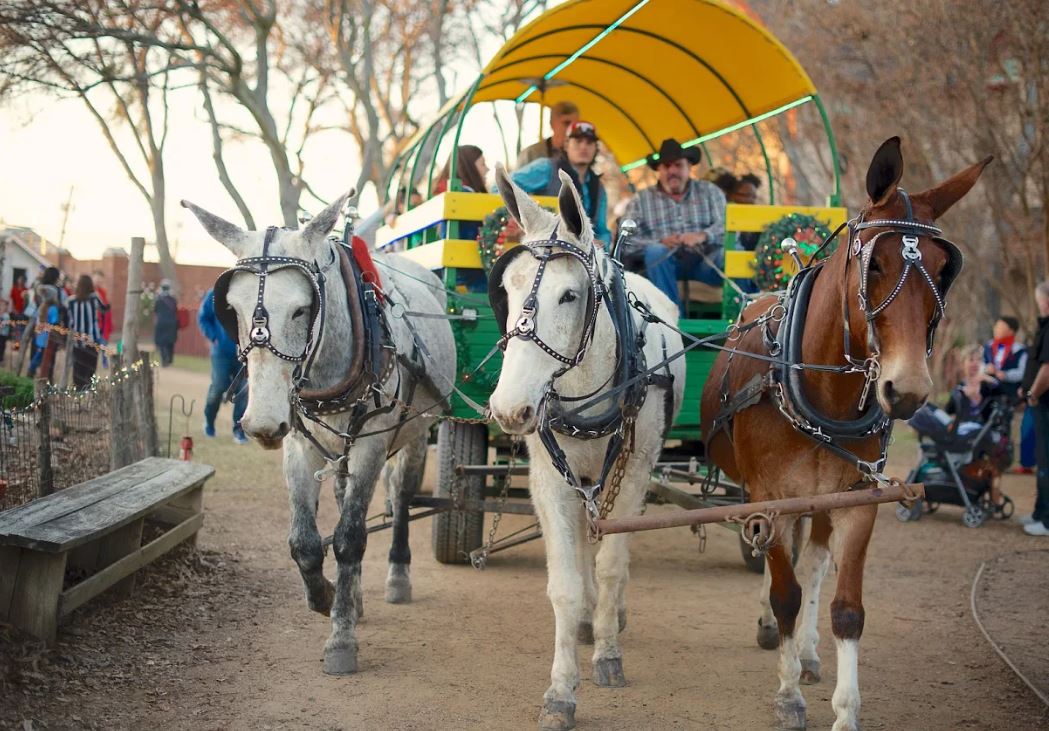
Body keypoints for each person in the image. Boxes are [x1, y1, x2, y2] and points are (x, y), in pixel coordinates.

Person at [622, 138, 726, 313]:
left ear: (689, 167)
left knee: (731, 252)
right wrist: (660, 242)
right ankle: (673, 320)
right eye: (666, 166)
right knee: (656, 252)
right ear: (659, 170)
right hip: (662, 266)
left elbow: (727, 227)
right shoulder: (641, 199)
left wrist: (703, 235)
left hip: (705, 262)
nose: (672, 171)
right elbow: (626, 241)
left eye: (678, 165)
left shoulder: (710, 192)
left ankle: (744, 319)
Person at [510, 120, 611, 244]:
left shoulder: (599, 187)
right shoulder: (546, 168)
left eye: (590, 142)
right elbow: (504, 187)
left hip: (583, 256)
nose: (584, 147)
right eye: (578, 141)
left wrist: (602, 243)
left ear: (596, 148)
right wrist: (519, 217)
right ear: (566, 144)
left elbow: (602, 231)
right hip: (545, 249)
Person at [947, 345, 1007, 511]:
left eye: (978, 360)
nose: (974, 363)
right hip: (964, 435)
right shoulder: (959, 388)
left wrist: (989, 379)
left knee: (995, 452)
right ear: (964, 363)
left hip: (985, 434)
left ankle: (994, 489)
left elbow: (1004, 395)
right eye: (970, 360)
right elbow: (949, 412)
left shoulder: (988, 385)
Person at [198, 288, 248, 444]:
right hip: (221, 353)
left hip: (244, 353)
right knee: (219, 386)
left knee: (244, 391)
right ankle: (209, 423)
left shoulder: (249, 292)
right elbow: (203, 318)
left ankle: (239, 431)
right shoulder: (215, 294)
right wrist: (214, 337)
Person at [1019, 281, 1049, 536]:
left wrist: (1033, 393)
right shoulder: (1044, 327)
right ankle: (1040, 512)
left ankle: (1047, 520)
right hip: (1038, 404)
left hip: (1044, 404)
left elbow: (1047, 370)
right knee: (1041, 460)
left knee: (1046, 461)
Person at [516, 100, 580, 168]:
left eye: (576, 125)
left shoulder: (582, 155)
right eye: (566, 123)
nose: (572, 129)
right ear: (552, 124)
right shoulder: (530, 154)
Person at [68, 274, 105, 388]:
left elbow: (67, 319)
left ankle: (78, 392)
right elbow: (104, 309)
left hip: (77, 340)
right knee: (91, 368)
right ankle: (89, 391)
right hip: (92, 338)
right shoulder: (94, 297)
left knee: (78, 368)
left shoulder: (71, 301)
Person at [154, 279, 179, 367]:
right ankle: (170, 360)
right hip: (172, 323)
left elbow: (155, 310)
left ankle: (165, 359)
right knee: (170, 342)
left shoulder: (158, 299)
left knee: (162, 342)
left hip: (161, 323)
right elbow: (176, 310)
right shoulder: (173, 299)